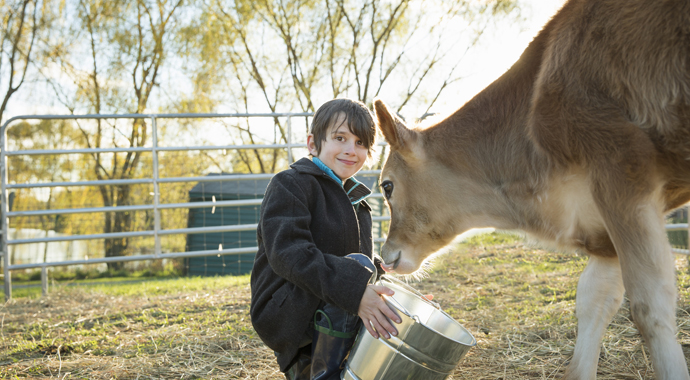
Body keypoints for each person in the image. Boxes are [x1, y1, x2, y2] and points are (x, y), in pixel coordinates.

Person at [250, 98, 401, 380]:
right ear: (312, 143)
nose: (350, 150)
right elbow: (289, 254)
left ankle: (343, 363)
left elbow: (359, 263)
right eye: (340, 138)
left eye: (360, 143)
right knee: (356, 268)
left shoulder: (359, 203)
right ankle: (319, 371)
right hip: (287, 311)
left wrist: (397, 297)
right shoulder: (291, 184)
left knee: (365, 270)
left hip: (328, 305)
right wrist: (356, 291)